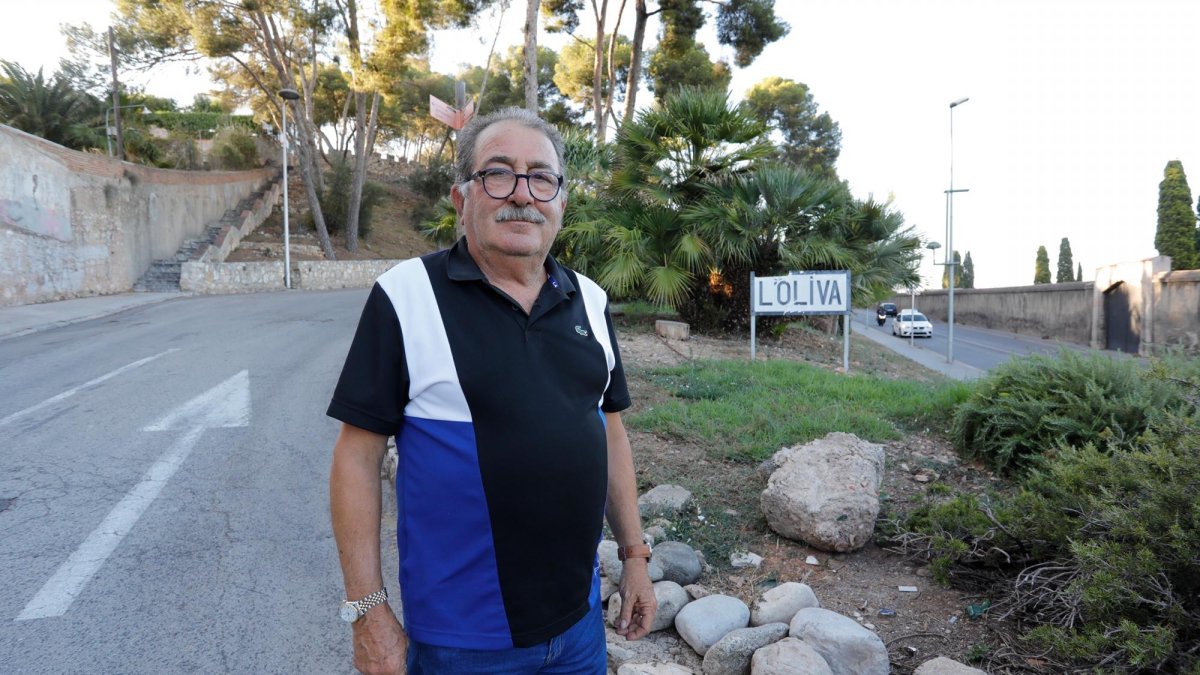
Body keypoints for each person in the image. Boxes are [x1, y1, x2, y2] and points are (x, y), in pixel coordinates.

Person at [328, 106, 656, 675]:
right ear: (462, 197)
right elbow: (357, 455)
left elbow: (609, 429)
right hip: (462, 641)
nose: (521, 194)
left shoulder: (592, 301)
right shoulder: (407, 295)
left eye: (541, 177)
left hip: (579, 630)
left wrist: (634, 556)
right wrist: (367, 613)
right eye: (498, 174)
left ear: (561, 200)